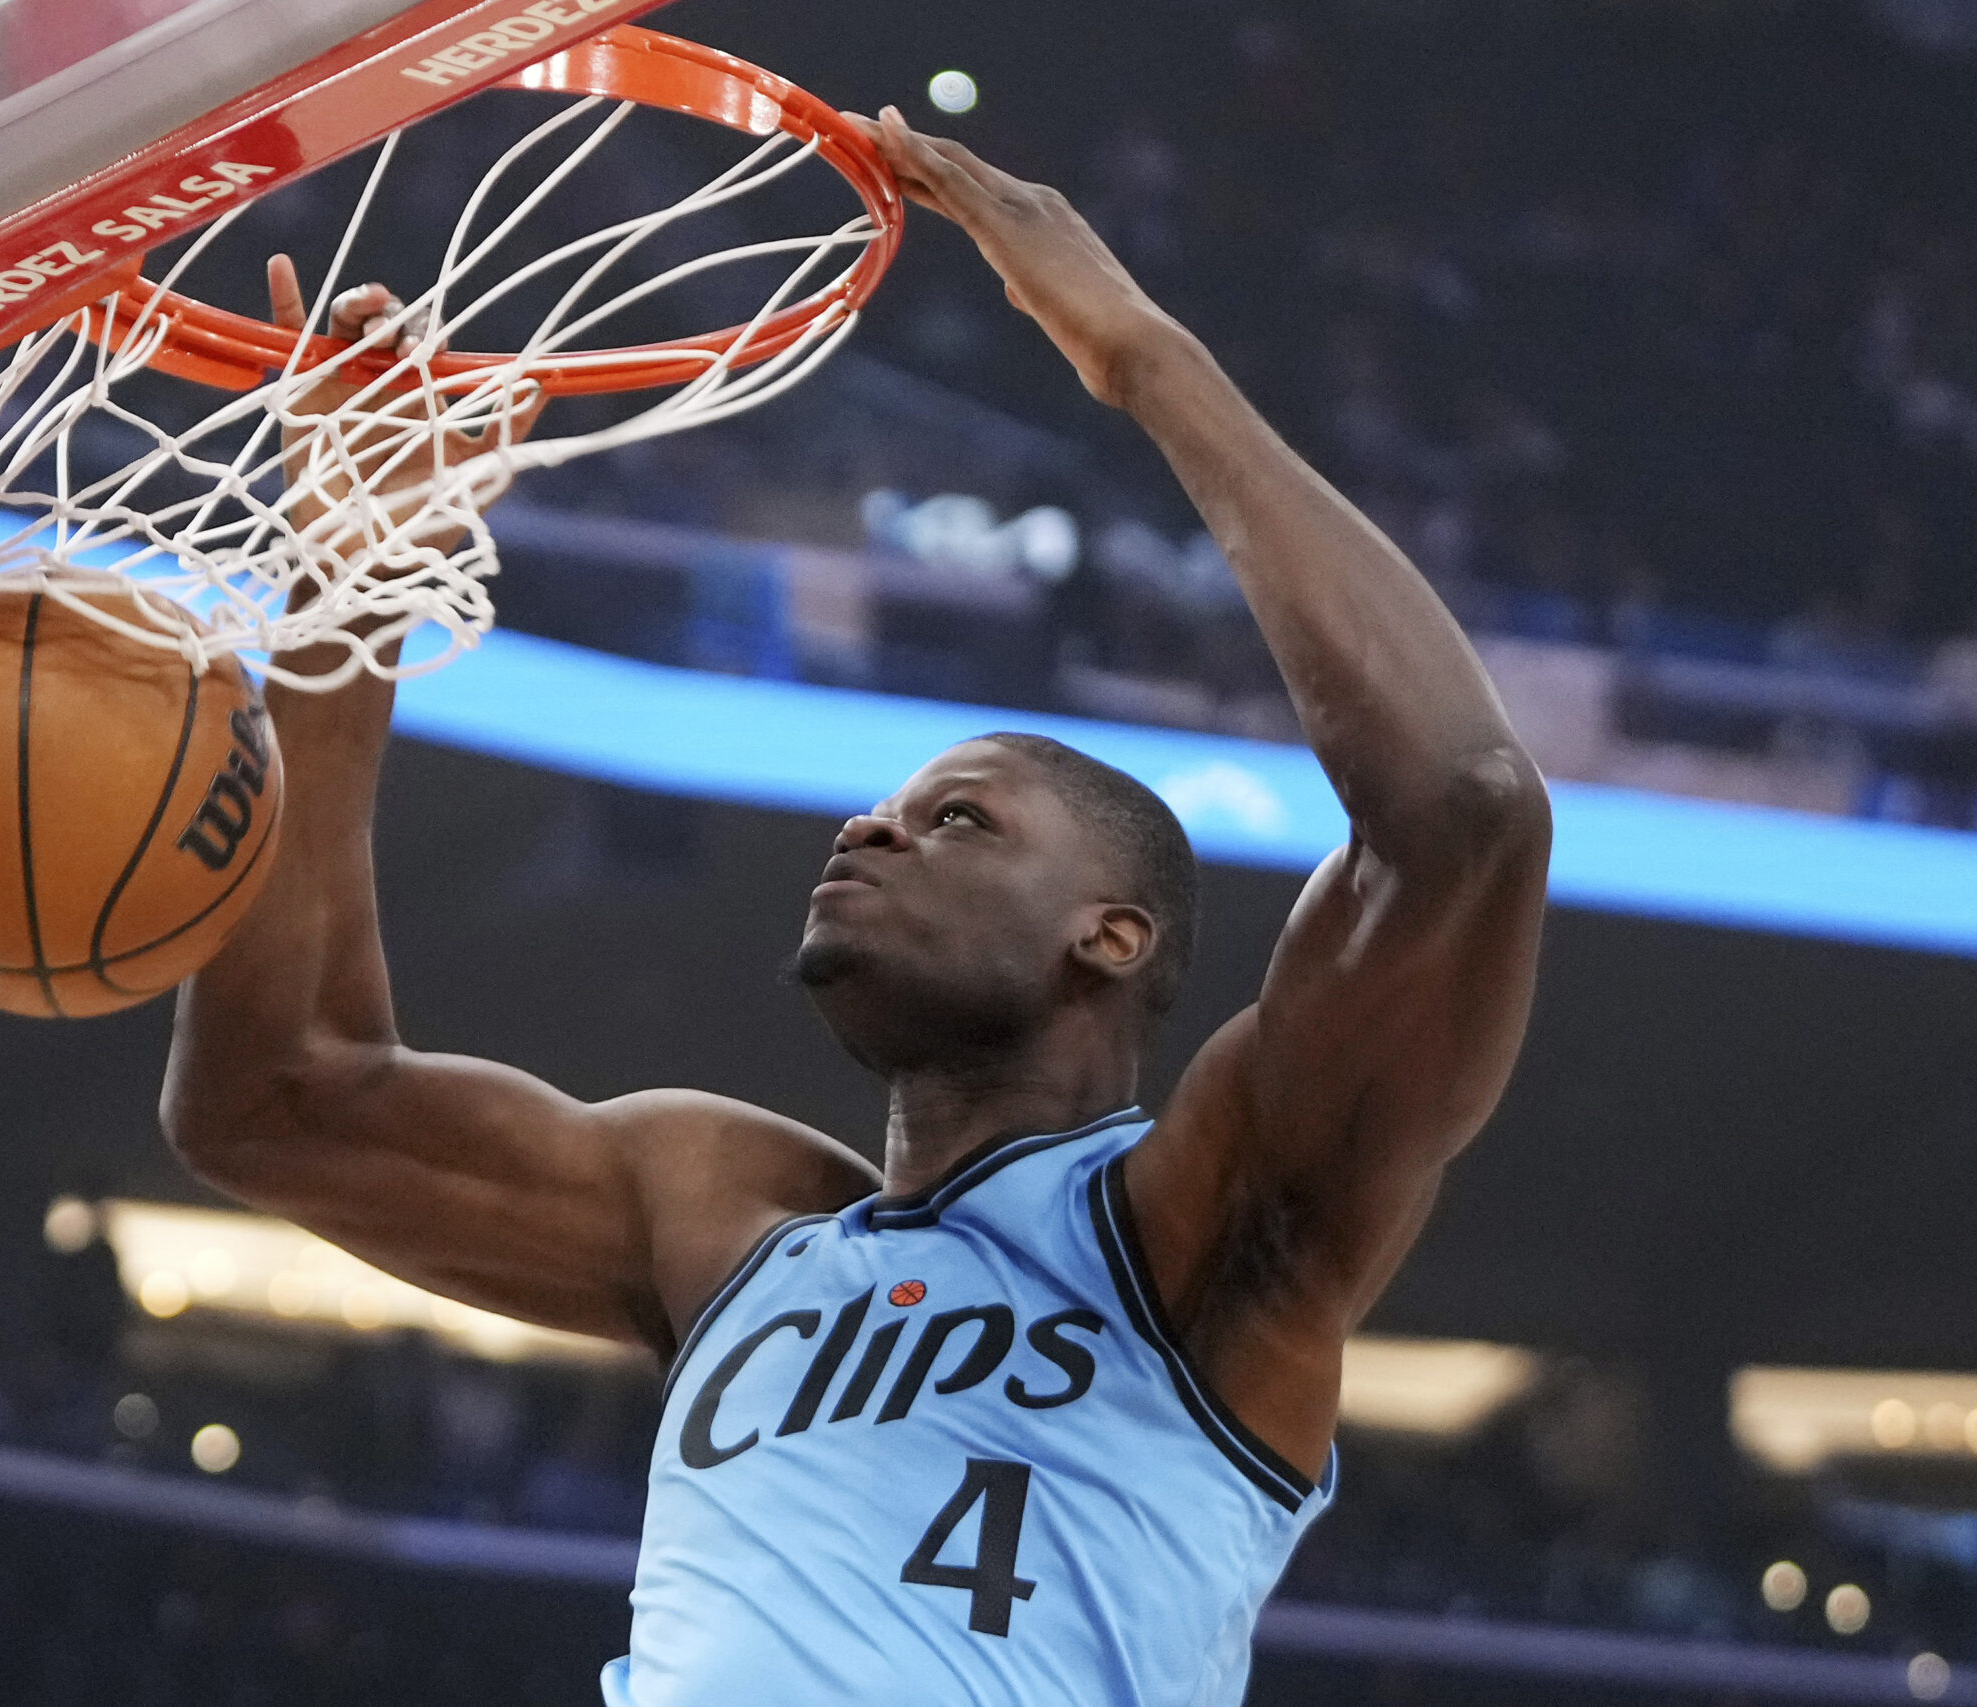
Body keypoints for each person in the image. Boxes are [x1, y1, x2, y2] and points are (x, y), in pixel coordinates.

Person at [161, 107, 1552, 1705]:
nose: (867, 832)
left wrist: (1138, 357)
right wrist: (349, 585)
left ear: (1111, 935)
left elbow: (1463, 812)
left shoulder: (1201, 1234)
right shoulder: (727, 1217)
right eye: (884, 810)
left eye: (955, 820)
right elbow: (274, 1100)